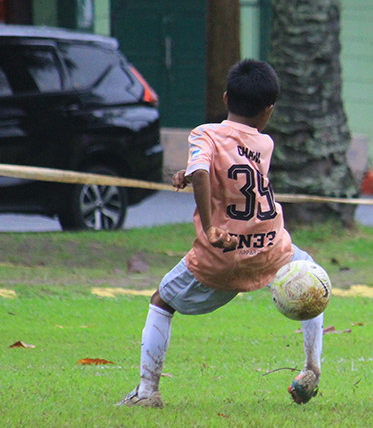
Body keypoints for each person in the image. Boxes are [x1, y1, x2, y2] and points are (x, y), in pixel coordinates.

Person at [117, 59, 324, 408]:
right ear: (268, 111)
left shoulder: (205, 134)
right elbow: (232, 169)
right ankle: (311, 371)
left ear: (226, 98)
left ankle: (147, 392)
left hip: (222, 253)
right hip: (270, 247)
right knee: (310, 279)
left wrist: (211, 225)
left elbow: (204, 168)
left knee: (162, 303)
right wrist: (194, 172)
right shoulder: (265, 144)